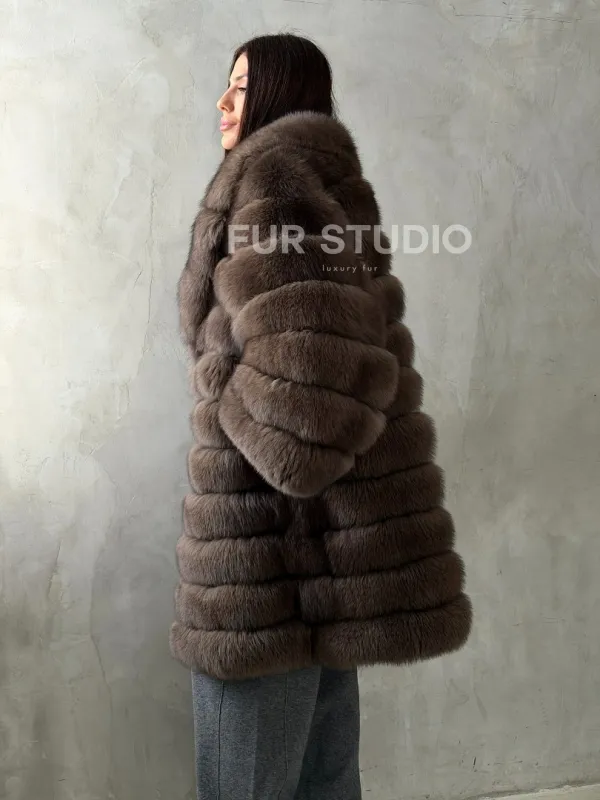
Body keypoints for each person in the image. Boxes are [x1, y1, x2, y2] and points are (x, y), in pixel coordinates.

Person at [170, 32, 472, 800]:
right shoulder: (310, 172)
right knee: (320, 782)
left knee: (246, 785)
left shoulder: (274, 174)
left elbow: (309, 375)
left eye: (242, 85)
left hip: (270, 564)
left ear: (278, 92)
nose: (223, 100)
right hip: (311, 557)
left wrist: (222, 386)